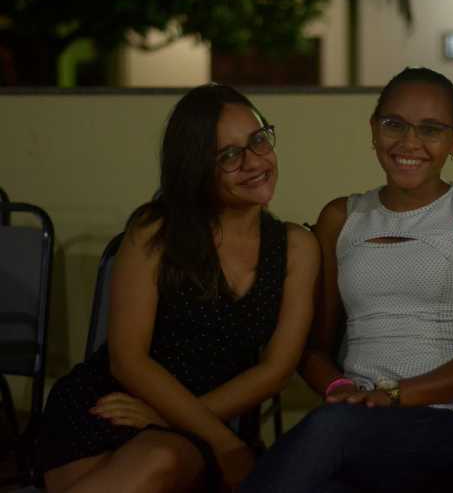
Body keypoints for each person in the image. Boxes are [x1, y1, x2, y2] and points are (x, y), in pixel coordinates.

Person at [241, 67, 453, 493]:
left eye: (431, 129)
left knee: (330, 432)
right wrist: (342, 389)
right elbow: (314, 348)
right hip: (359, 419)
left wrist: (391, 396)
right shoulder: (341, 218)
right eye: (394, 124)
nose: (409, 142)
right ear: (374, 129)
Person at [40, 84, 319, 492]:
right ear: (196, 168)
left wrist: (172, 419)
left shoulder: (297, 247)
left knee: (163, 458)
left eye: (259, 140)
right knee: (156, 462)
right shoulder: (156, 230)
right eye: (229, 155)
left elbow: (275, 371)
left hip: (191, 421)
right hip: (113, 404)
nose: (254, 162)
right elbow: (128, 360)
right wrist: (226, 444)